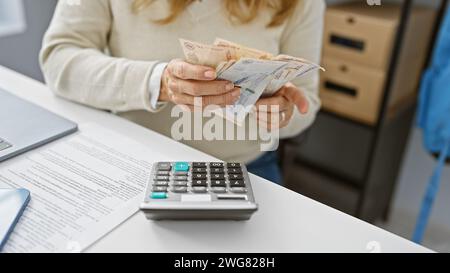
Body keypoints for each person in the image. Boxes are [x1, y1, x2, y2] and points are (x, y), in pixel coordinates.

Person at [40, 0, 325, 185]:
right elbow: (59, 57)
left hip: (244, 170)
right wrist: (157, 82)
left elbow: (305, 103)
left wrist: (280, 114)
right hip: (131, 159)